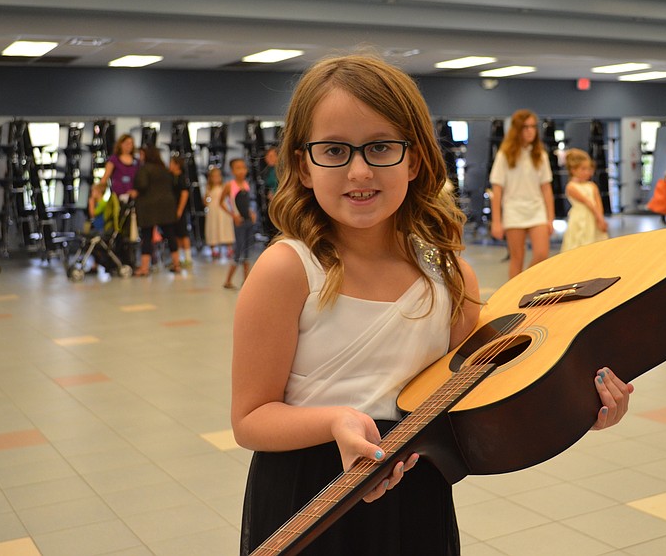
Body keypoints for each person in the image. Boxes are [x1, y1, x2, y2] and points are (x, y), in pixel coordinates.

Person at [230, 54, 634, 556]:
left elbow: (480, 389)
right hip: (311, 489)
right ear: (302, 165)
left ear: (415, 159)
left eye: (380, 147)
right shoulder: (287, 270)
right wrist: (335, 421)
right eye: (334, 150)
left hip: (415, 489)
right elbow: (250, 418)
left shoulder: (446, 273)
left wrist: (576, 404)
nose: (359, 170)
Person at [489, 109, 556, 280]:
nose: (530, 131)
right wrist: (497, 221)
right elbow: (497, 190)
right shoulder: (504, 155)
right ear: (517, 130)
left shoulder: (540, 155)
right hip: (513, 211)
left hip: (536, 210)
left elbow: (546, 188)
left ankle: (524, 282)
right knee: (517, 259)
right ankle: (514, 297)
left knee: (542, 254)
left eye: (533, 127)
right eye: (526, 127)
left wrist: (550, 217)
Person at [133, 147, 181, 275]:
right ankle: (177, 264)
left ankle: (144, 268)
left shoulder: (144, 169)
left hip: (149, 207)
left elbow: (142, 185)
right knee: (171, 235)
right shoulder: (164, 169)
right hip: (167, 206)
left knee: (147, 236)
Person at [560, 148, 608, 252]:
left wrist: (600, 218)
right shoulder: (571, 187)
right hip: (580, 220)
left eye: (589, 169)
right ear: (573, 170)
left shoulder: (592, 186)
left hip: (593, 219)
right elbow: (588, 203)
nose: (587, 172)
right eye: (583, 169)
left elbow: (598, 203)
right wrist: (599, 217)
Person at [220, 158, 257, 288]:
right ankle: (228, 281)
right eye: (238, 168)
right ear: (232, 171)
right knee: (238, 250)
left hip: (248, 221)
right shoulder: (230, 185)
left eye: (243, 167)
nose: (241, 170)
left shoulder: (246, 184)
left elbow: (246, 204)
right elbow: (221, 203)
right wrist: (233, 215)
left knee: (247, 251)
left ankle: (246, 280)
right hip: (239, 223)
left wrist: (251, 212)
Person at [204, 166, 235, 259]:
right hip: (213, 210)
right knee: (213, 227)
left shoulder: (224, 186)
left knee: (225, 227)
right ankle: (213, 249)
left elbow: (229, 198)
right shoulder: (209, 188)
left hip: (223, 210)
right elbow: (205, 200)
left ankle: (229, 248)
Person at [168, 156, 193, 268]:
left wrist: (179, 210)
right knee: (176, 234)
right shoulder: (171, 177)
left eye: (171, 163)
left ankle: (188, 258)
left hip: (180, 210)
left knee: (183, 234)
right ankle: (178, 258)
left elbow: (184, 194)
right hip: (172, 210)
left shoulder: (182, 178)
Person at [100, 133, 139, 201]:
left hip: (133, 195)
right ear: (121, 144)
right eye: (127, 143)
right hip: (117, 195)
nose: (129, 146)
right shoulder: (114, 159)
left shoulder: (136, 161)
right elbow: (106, 176)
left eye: (131, 143)